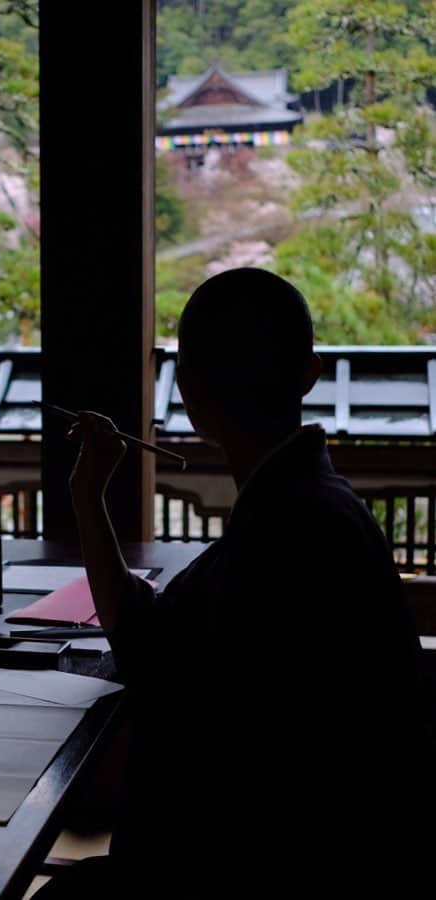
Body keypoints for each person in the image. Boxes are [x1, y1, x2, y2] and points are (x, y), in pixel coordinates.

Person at [48, 268, 433, 897]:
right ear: (310, 374)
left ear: (189, 392)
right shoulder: (322, 504)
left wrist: (87, 496)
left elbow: (143, 649)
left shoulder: (285, 528)